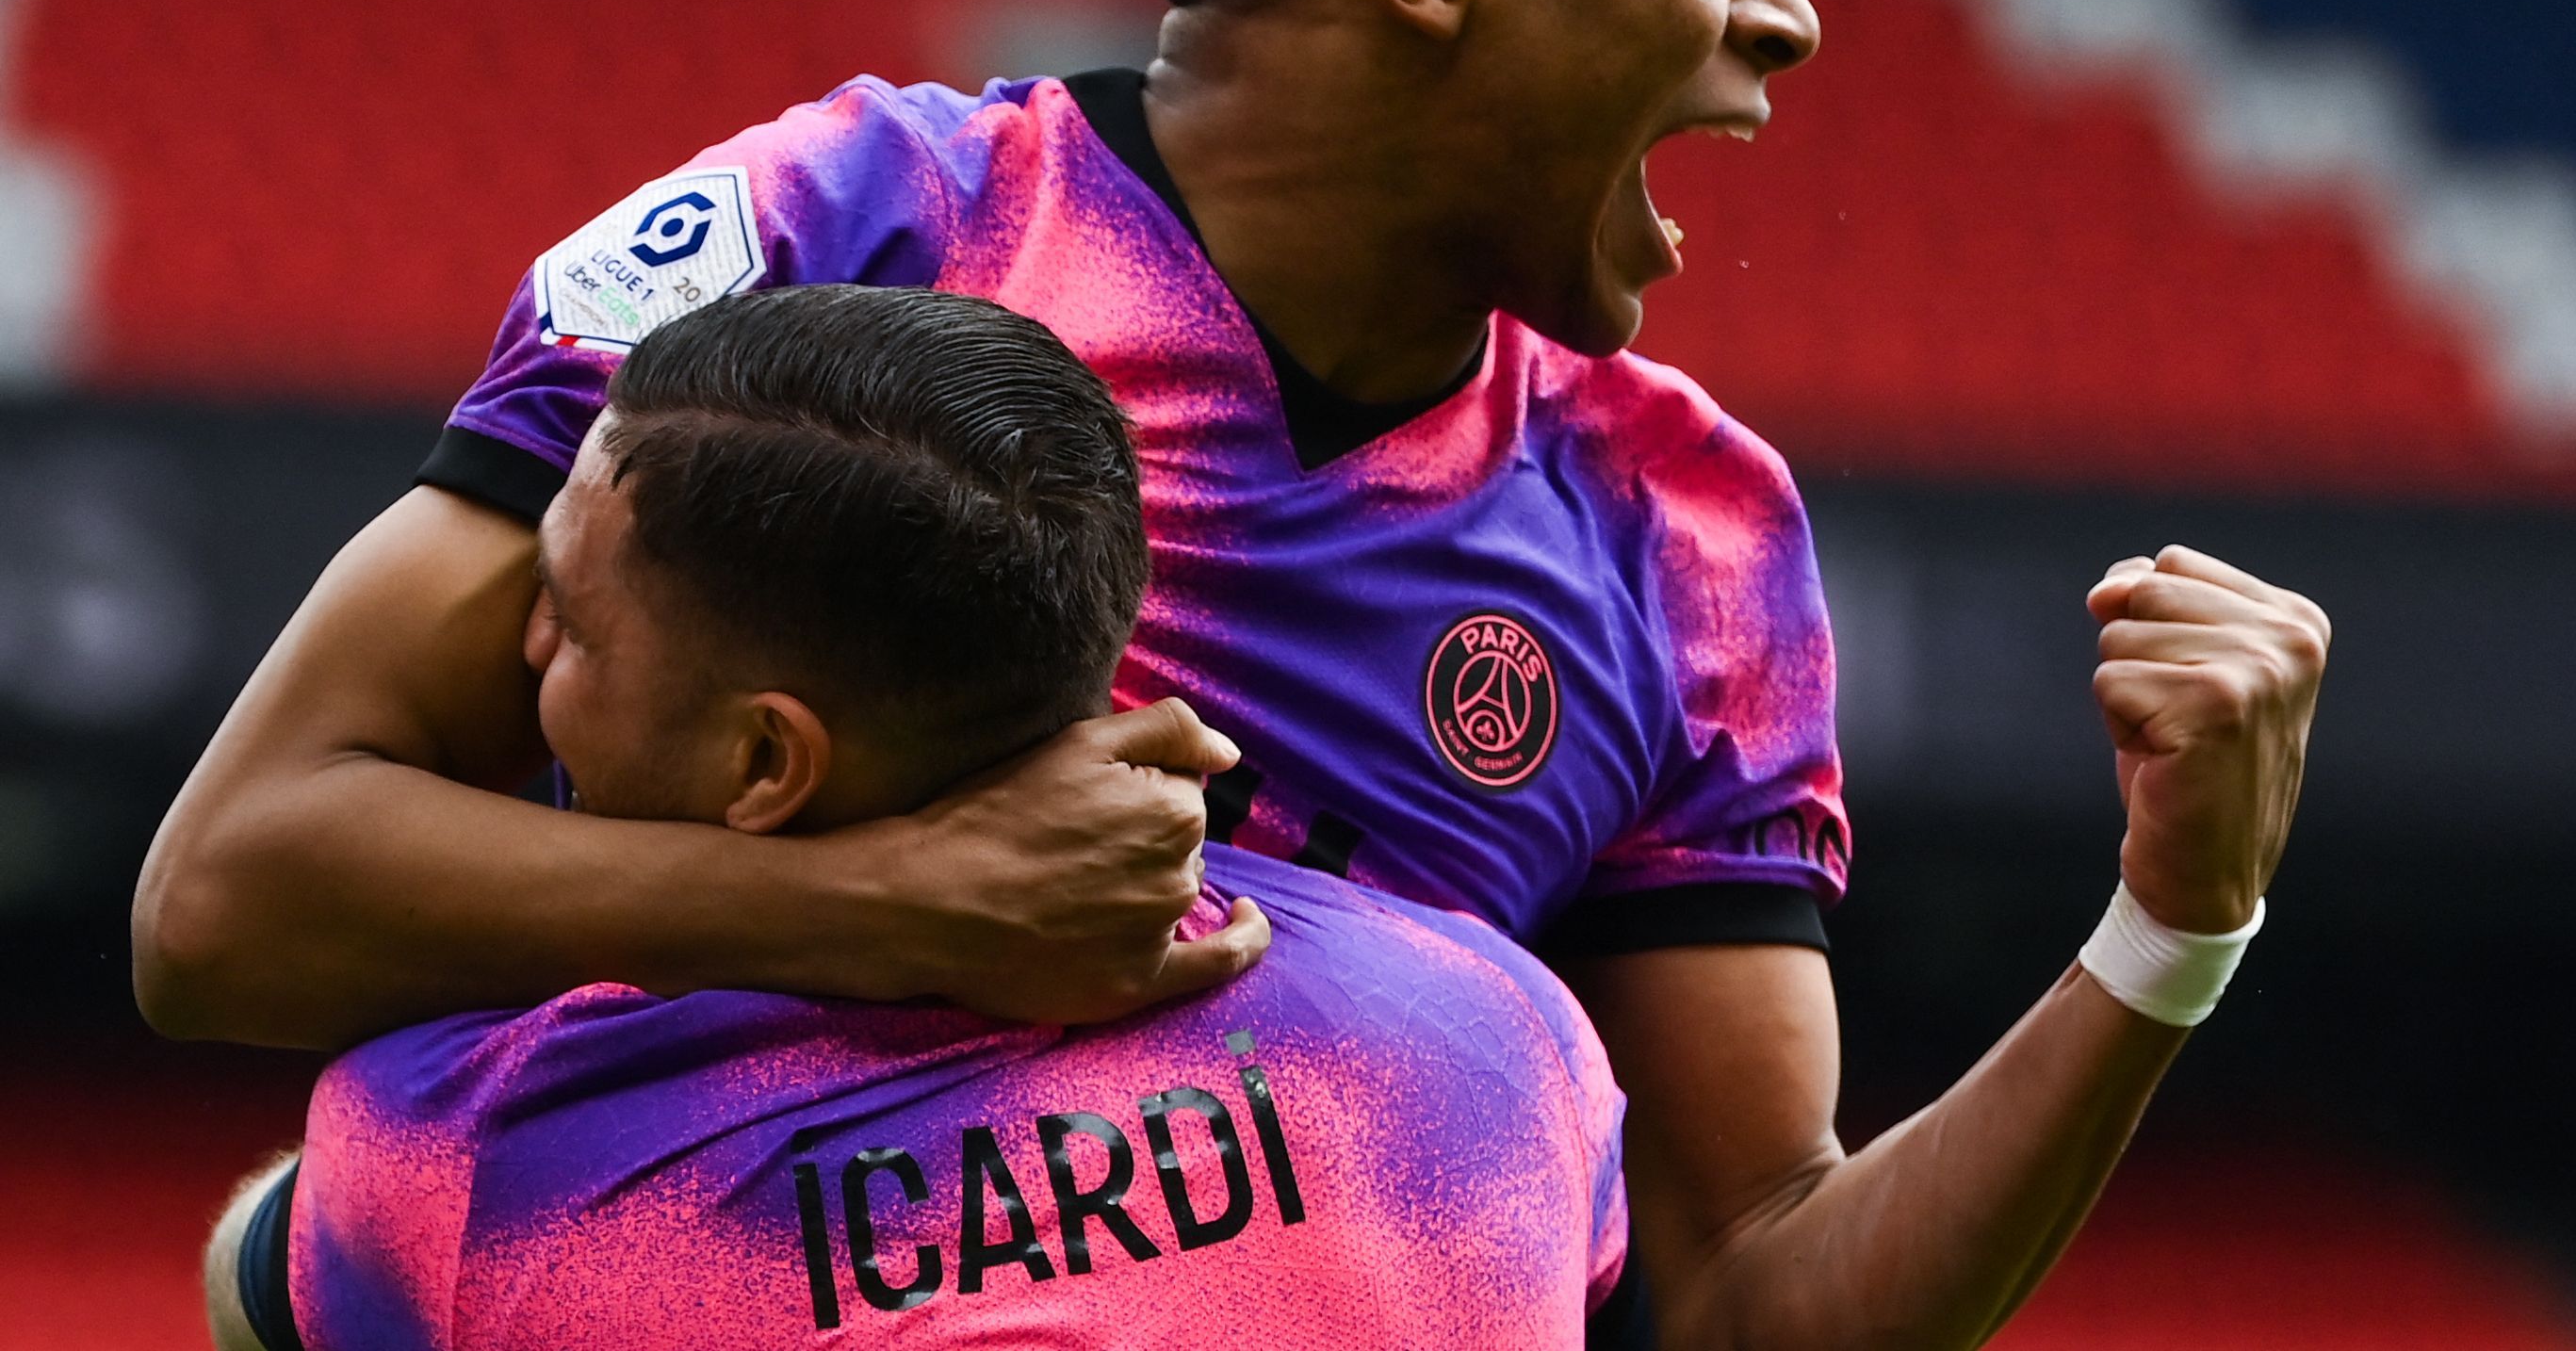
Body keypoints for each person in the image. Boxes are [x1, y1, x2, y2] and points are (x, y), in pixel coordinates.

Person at [140, 0, 2328, 1348]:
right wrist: (886, 913)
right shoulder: (854, 229)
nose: (1784, 10)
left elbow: (1759, 1287)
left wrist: (2170, 928)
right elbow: (229, 903)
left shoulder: (1690, 534)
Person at [207, 284, 1627, 1351]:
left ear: (769, 762)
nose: (518, 651)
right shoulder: (1499, 1043)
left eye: (571, 624)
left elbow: (251, 1279)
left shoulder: (478, 1159)